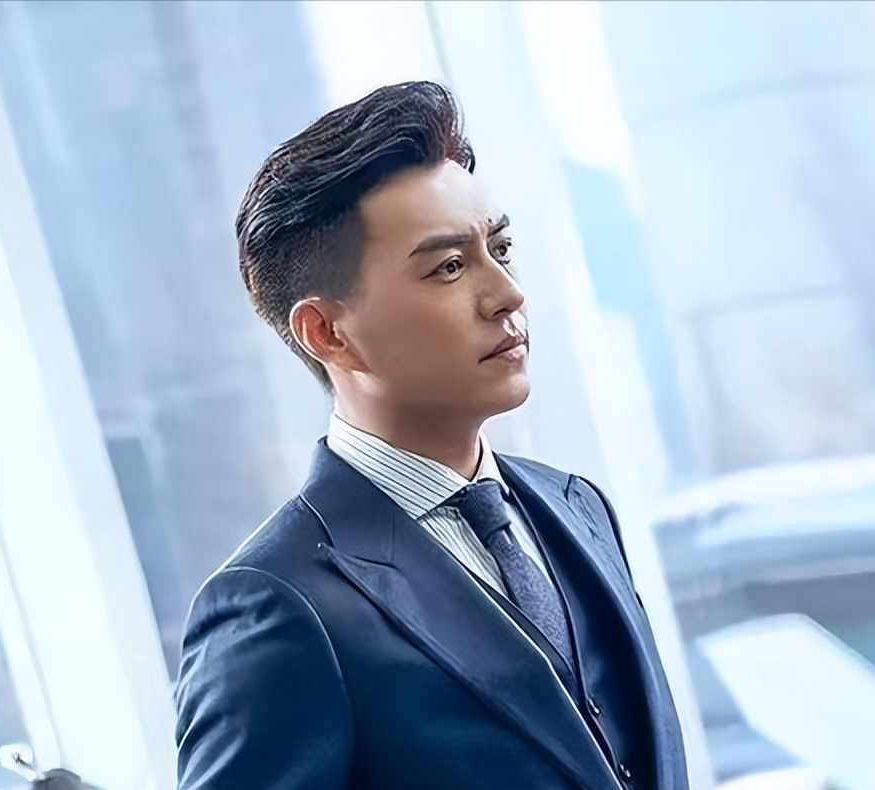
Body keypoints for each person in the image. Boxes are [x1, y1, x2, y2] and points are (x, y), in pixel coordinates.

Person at [173, 81, 688, 790]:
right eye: (449, 267)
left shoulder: (578, 507)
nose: (507, 293)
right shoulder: (277, 604)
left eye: (500, 248)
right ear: (327, 333)